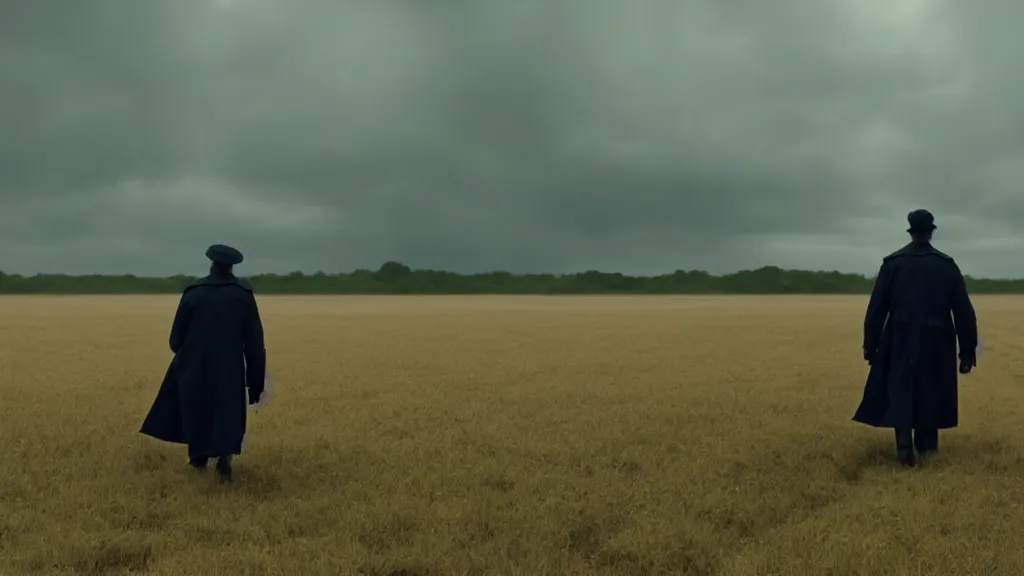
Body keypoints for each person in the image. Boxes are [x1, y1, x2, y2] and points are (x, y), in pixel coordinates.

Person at [853, 209, 978, 467]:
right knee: (931, 389)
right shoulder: (946, 266)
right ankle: (927, 448)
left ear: (911, 232)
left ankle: (903, 447)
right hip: (937, 339)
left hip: (899, 336)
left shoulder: (893, 264)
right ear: (931, 232)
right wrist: (967, 352)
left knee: (901, 388)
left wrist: (871, 346)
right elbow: (964, 313)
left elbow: (876, 309)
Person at [139, 244, 267, 482]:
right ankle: (225, 460)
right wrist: (255, 383)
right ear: (231, 267)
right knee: (226, 412)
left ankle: (198, 459)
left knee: (197, 410)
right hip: (229, 368)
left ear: (211, 264)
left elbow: (175, 341)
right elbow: (255, 344)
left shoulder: (193, 293)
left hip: (193, 367)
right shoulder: (243, 296)